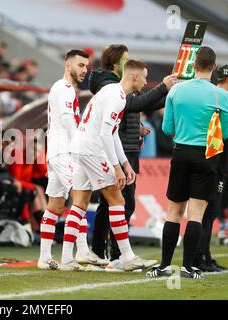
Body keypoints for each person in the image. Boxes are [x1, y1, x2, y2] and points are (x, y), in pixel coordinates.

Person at [60, 60, 157, 271]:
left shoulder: (113, 92)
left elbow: (112, 133)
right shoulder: (117, 96)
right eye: (145, 77)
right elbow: (105, 133)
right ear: (134, 77)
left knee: (79, 203)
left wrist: (124, 163)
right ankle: (127, 256)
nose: (146, 82)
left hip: (79, 146)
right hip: (91, 149)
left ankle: (67, 258)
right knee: (117, 199)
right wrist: (116, 167)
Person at [147, 47, 228, 279]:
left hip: (181, 153)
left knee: (174, 212)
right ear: (214, 67)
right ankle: (187, 267)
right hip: (207, 156)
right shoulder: (220, 95)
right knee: (195, 214)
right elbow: (224, 133)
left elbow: (167, 129)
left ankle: (164, 265)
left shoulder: (177, 91)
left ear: (194, 64)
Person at [88, 44, 176, 270]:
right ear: (117, 64)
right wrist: (163, 88)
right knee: (118, 203)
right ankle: (115, 254)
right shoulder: (110, 85)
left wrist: (169, 92)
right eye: (126, 59)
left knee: (108, 203)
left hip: (119, 146)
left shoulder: (116, 86)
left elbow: (137, 106)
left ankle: (98, 253)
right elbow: (133, 105)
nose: (129, 62)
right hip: (112, 148)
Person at [37, 49, 105, 270]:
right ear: (68, 66)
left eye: (86, 66)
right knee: (80, 199)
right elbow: (67, 122)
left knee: (55, 205)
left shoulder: (65, 89)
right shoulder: (63, 88)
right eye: (80, 65)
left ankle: (45, 256)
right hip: (65, 153)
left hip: (57, 153)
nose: (85, 70)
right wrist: (81, 147)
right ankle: (75, 253)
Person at [194, 64, 228, 271]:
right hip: (213, 163)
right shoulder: (220, 97)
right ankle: (199, 258)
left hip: (217, 164)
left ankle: (205, 256)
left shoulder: (220, 97)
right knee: (207, 211)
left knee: (210, 211)